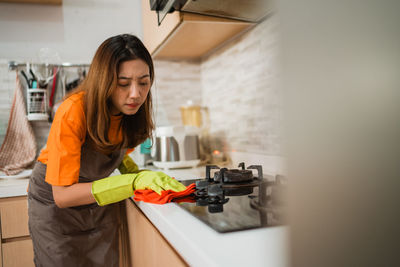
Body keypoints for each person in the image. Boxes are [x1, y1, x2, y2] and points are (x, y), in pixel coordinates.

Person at [27, 34, 186, 267]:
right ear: (104, 81)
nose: (135, 94)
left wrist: (140, 175)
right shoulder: (74, 111)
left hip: (97, 201)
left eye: (143, 82)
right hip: (55, 207)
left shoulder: (131, 113)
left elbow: (118, 154)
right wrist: (133, 183)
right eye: (123, 83)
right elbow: (62, 195)